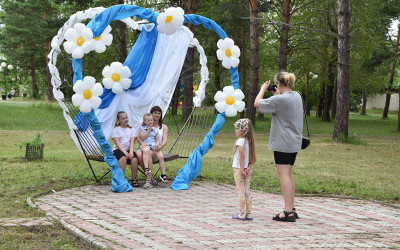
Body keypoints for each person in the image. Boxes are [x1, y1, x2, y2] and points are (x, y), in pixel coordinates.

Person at [254, 71, 303, 223]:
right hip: (295, 141)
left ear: (279, 84)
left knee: (283, 175)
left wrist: (263, 89)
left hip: (282, 142)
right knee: (289, 173)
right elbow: (282, 106)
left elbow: (257, 104)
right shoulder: (297, 96)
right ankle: (292, 208)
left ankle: (287, 212)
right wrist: (277, 95)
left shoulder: (280, 100)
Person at [231, 118, 256, 221]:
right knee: (247, 190)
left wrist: (241, 169)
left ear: (243, 130)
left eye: (237, 129)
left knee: (240, 190)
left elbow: (242, 157)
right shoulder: (249, 142)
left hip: (239, 169)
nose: (235, 130)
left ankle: (241, 213)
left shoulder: (240, 141)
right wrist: (248, 167)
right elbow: (252, 158)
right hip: (247, 170)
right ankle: (249, 213)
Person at [137, 113, 165, 189]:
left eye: (151, 120)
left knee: (149, 153)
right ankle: (149, 175)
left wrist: (157, 144)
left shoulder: (156, 129)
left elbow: (158, 139)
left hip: (152, 147)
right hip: (145, 146)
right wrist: (148, 130)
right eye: (148, 120)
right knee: (141, 154)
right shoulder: (142, 128)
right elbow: (142, 137)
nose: (150, 122)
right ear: (145, 121)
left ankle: (149, 180)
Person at [112, 111, 139, 187]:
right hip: (118, 150)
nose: (125, 120)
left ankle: (134, 178)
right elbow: (118, 143)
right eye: (123, 118)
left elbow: (132, 142)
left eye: (126, 117)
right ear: (119, 120)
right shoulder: (115, 130)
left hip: (128, 149)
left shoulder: (132, 130)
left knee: (134, 159)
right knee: (123, 158)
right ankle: (121, 179)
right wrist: (125, 153)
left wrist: (130, 152)